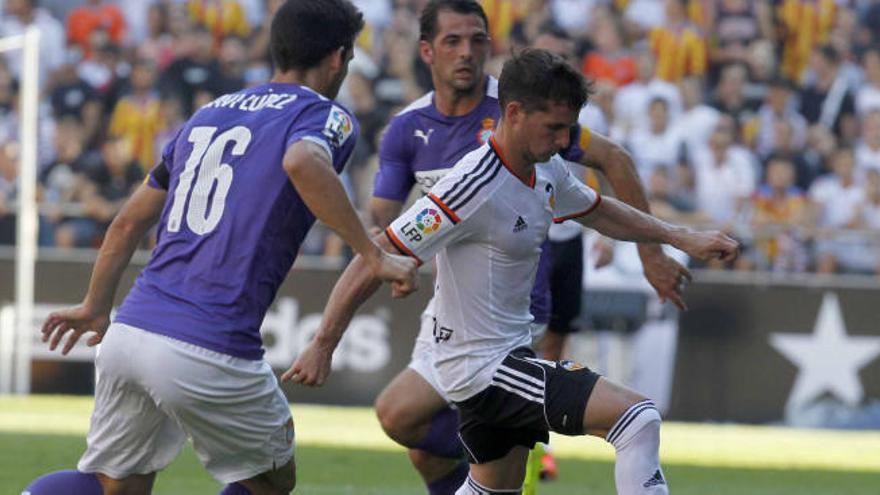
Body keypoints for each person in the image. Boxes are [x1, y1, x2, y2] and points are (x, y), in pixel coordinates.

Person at [288, 48, 739, 495]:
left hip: (505, 356)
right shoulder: (472, 185)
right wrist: (322, 344)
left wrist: (681, 237)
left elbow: (599, 211)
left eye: (568, 128)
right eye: (554, 128)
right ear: (515, 112)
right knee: (636, 418)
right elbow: (379, 249)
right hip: (483, 368)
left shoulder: (547, 169)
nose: (565, 140)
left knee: (493, 491)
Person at [32, 1, 417, 494]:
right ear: (339, 58)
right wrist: (373, 254)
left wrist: (95, 304)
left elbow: (127, 222)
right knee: (272, 483)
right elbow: (303, 162)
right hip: (210, 344)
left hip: (131, 331)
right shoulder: (324, 115)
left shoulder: (208, 114)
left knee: (114, 485)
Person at [360, 2, 692, 493]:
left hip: (525, 290)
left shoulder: (531, 106)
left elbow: (610, 163)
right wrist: (392, 262)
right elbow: (383, 222)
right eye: (454, 41)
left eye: (478, 39)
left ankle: (523, 442)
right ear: (427, 50)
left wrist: (655, 253)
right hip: (456, 310)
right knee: (412, 433)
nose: (468, 52)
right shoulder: (411, 127)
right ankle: (523, 444)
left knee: (616, 415)